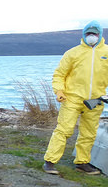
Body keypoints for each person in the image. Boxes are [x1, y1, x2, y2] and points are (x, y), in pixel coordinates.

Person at [43, 20, 108, 175]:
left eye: (94, 33)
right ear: (83, 35)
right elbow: (59, 74)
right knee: (63, 130)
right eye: (88, 33)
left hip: (95, 101)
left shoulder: (106, 52)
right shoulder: (73, 53)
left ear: (100, 35)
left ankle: (82, 162)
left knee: (89, 133)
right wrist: (59, 91)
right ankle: (50, 161)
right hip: (71, 99)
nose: (91, 36)